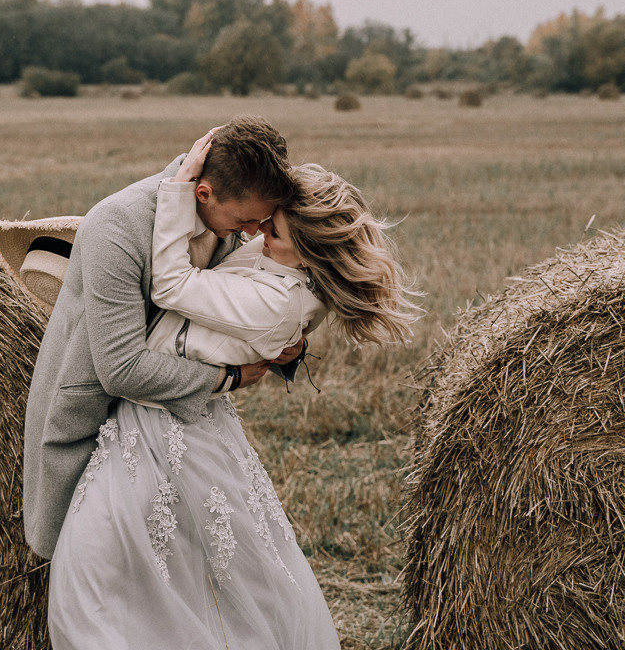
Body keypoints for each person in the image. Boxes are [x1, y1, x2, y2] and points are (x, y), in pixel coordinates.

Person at [46, 130, 422, 648]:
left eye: (269, 230)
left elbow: (188, 291)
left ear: (306, 255)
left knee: (135, 580)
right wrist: (244, 364)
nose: (254, 234)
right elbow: (133, 355)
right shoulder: (129, 225)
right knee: (149, 575)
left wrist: (274, 347)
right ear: (204, 193)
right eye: (256, 223)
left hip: (169, 421)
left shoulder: (265, 259)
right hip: (128, 411)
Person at [22, 116, 299, 567]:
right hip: (94, 417)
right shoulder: (117, 226)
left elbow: (260, 298)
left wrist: (289, 346)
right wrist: (227, 378)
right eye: (245, 220)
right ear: (204, 193)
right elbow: (120, 368)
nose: (254, 233)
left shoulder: (228, 220)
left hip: (178, 419)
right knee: (95, 569)